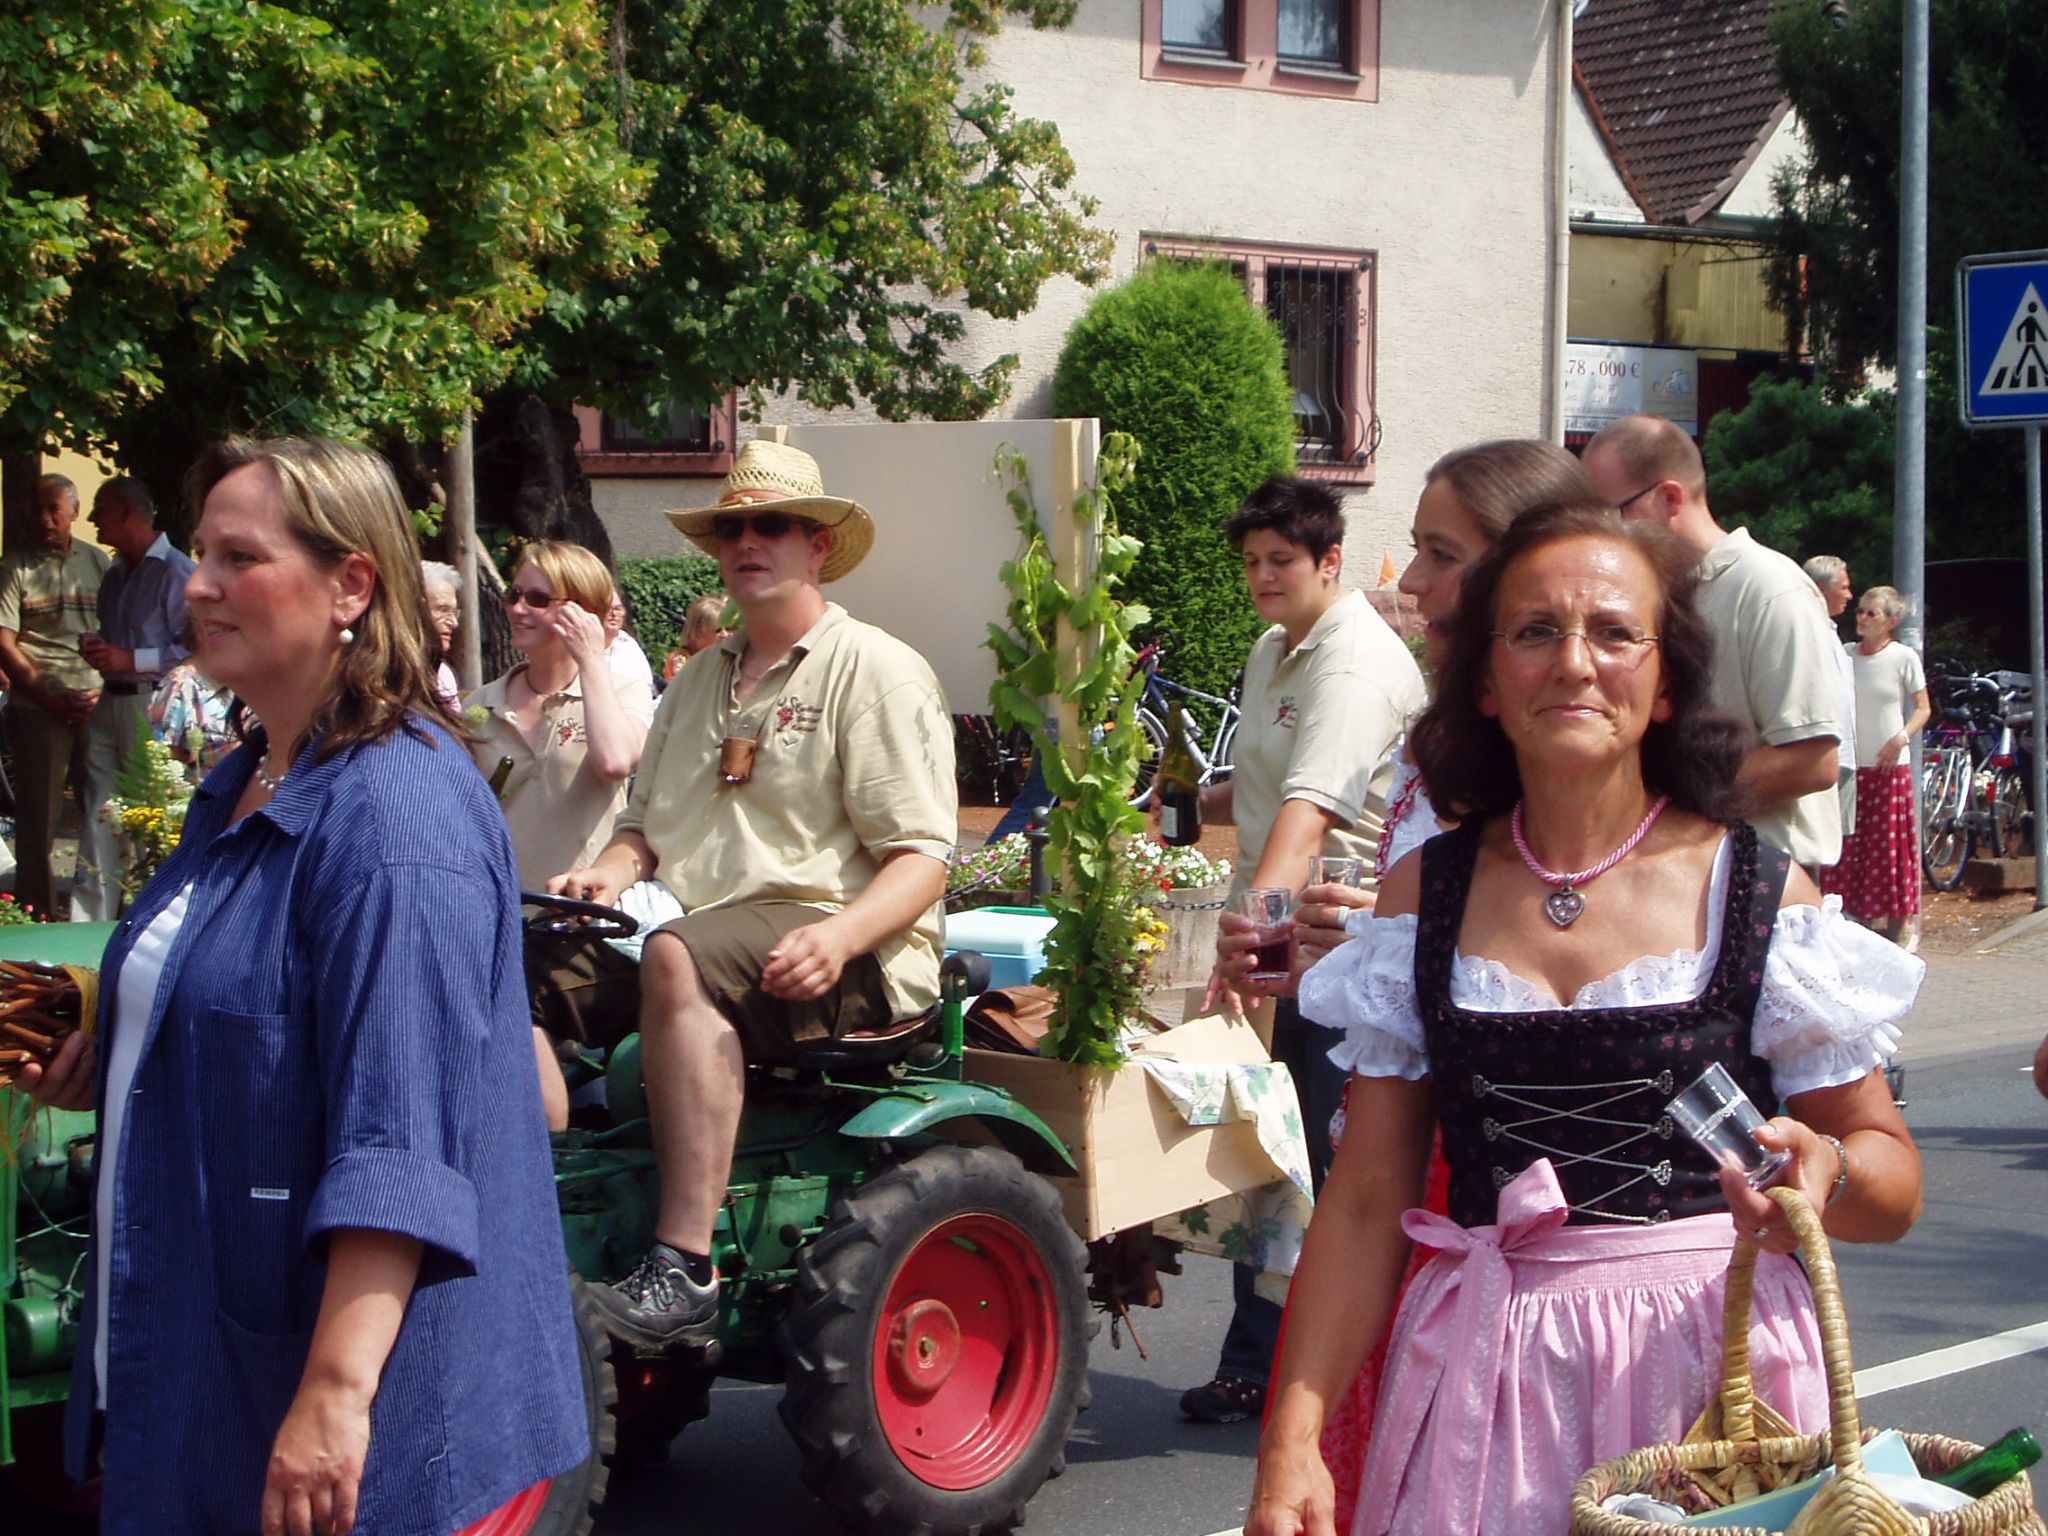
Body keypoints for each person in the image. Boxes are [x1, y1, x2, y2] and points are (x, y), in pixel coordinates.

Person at [1247, 501, 1923, 1536]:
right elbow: (1363, 1195)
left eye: (1613, 632)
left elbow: (1888, 1184)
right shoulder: (1418, 895)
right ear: (1483, 679)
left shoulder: (1754, 894)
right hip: (1485, 1377)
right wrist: (1293, 1444)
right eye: (1532, 631)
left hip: (1711, 1385)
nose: (1573, 662)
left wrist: (1823, 1174)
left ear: (1661, 685)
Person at [19, 436, 588, 1535]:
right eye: (202, 556)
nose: (196, 583)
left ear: (350, 587)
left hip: (319, 1411)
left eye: (239, 557)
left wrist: (333, 1397)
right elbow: (264, 1045)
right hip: (210, 1373)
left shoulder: (391, 820)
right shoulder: (245, 782)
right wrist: (116, 1067)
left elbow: (400, 1141)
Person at [1222, 440, 1594, 1518]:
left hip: (1536, 1230)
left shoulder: (1562, 763)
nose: (1413, 584)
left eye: (1439, 553)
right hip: (1428, 1187)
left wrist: (1306, 930)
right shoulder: (1442, 747)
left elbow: (1552, 957)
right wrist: (1359, 945)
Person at [551, 438, 955, 1349]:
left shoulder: (873, 669)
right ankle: (525, 1203)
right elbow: (641, 832)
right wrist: (606, 875)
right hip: (694, 929)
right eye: (732, 527)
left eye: (772, 525)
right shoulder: (696, 677)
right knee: (514, 957)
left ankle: (683, 1267)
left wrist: (844, 937)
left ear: (818, 547)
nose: (747, 541)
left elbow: (923, 859)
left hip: (840, 942)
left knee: (677, 956)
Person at [1173, 475, 1427, 1425]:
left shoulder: (1353, 662)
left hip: (1339, 948)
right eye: (1250, 563)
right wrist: (1182, 808)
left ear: (1331, 562)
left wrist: (1250, 954)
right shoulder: (1274, 648)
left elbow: (1310, 820)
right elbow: (1266, 789)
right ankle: (1258, 1360)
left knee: (1327, 1164)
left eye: (1282, 561)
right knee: (1269, 1159)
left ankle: (1332, 1382)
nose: (1263, 577)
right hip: (1286, 933)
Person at [1583, 414, 1843, 873]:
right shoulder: (1658, 591)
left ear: (1668, 498)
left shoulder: (1769, 588)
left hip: (1759, 878)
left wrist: (1663, 797)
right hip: (1674, 873)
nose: (1602, 534)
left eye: (1611, 513)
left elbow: (1813, 761)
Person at [468, 539, 653, 1129]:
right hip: (500, 920)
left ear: (580, 613)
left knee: (507, 987)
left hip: (588, 926)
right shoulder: (480, 708)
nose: (519, 608)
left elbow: (615, 761)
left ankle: (547, 1161)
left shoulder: (617, 693)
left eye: (539, 599)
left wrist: (593, 659)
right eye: (514, 594)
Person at [73, 477, 195, 920]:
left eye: (100, 509)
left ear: (127, 513)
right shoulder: (115, 575)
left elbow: (198, 649)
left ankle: (150, 918)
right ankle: (87, 923)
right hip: (110, 700)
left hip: (153, 703)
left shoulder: (178, 572)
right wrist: (99, 649)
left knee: (151, 813)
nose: (91, 520)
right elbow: (120, 644)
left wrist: (131, 656)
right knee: (96, 812)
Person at [0, 474, 109, 917]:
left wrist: (104, 690)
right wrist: (47, 696)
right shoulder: (15, 567)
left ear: (74, 513)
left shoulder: (98, 561)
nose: (44, 519)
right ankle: (36, 915)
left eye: (54, 510)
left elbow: (115, 630)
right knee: (37, 820)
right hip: (38, 707)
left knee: (104, 815)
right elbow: (4, 642)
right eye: (37, 510)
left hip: (97, 702)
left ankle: (99, 911)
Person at [1822, 586, 1931, 951]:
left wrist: (1901, 738)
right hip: (1852, 764)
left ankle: (1902, 923)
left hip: (1888, 766)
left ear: (1891, 622)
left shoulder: (1903, 658)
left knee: (1889, 847)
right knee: (1851, 846)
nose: (1862, 618)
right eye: (1861, 612)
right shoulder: (1846, 654)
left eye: (1872, 614)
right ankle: (1856, 921)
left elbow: (1923, 708)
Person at [1803, 553, 1861, 843]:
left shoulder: (1830, 631)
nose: (1850, 595)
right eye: (1844, 588)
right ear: (1821, 589)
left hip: (1843, 754)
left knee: (1834, 840)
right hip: (1821, 755)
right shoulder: (1805, 630)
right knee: (1816, 841)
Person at [422, 559, 462, 707]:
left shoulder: (443, 675)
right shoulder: (378, 672)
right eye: (443, 610)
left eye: (454, 613)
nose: (454, 623)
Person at [663, 591, 730, 680]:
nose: (725, 635)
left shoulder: (728, 658)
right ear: (698, 632)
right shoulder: (680, 661)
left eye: (728, 629)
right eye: (718, 631)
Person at [604, 584, 657, 695]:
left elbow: (647, 684)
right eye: (608, 609)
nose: (614, 614)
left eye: (618, 609)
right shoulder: (586, 645)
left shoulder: (629, 645)